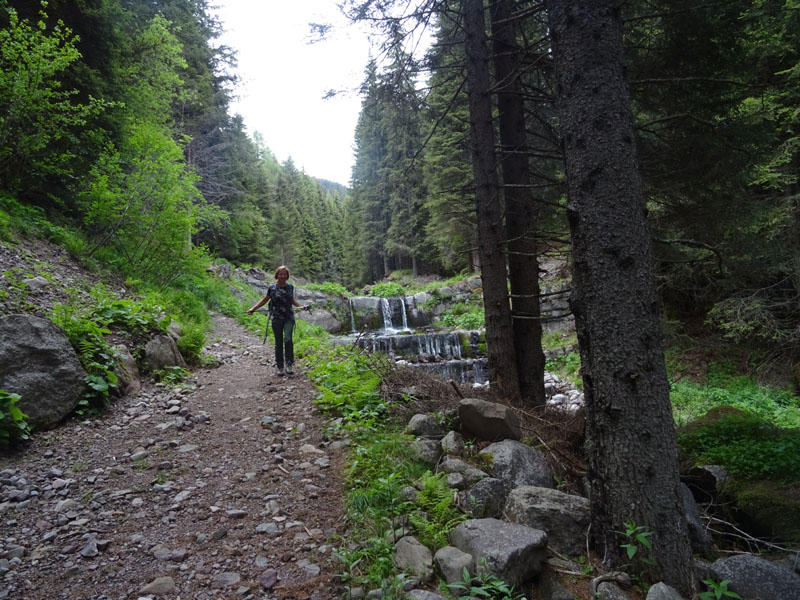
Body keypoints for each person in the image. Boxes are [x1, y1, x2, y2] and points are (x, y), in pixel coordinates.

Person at [247, 265, 310, 376]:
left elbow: (292, 300)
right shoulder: (272, 288)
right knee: (278, 342)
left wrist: (301, 307)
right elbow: (264, 300)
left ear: (287, 276)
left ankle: (289, 363)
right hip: (276, 318)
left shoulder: (290, 287)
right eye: (280, 274)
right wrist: (253, 309)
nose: (282, 276)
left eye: (284, 274)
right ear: (277, 275)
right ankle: (280, 366)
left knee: (288, 339)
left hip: (289, 318)